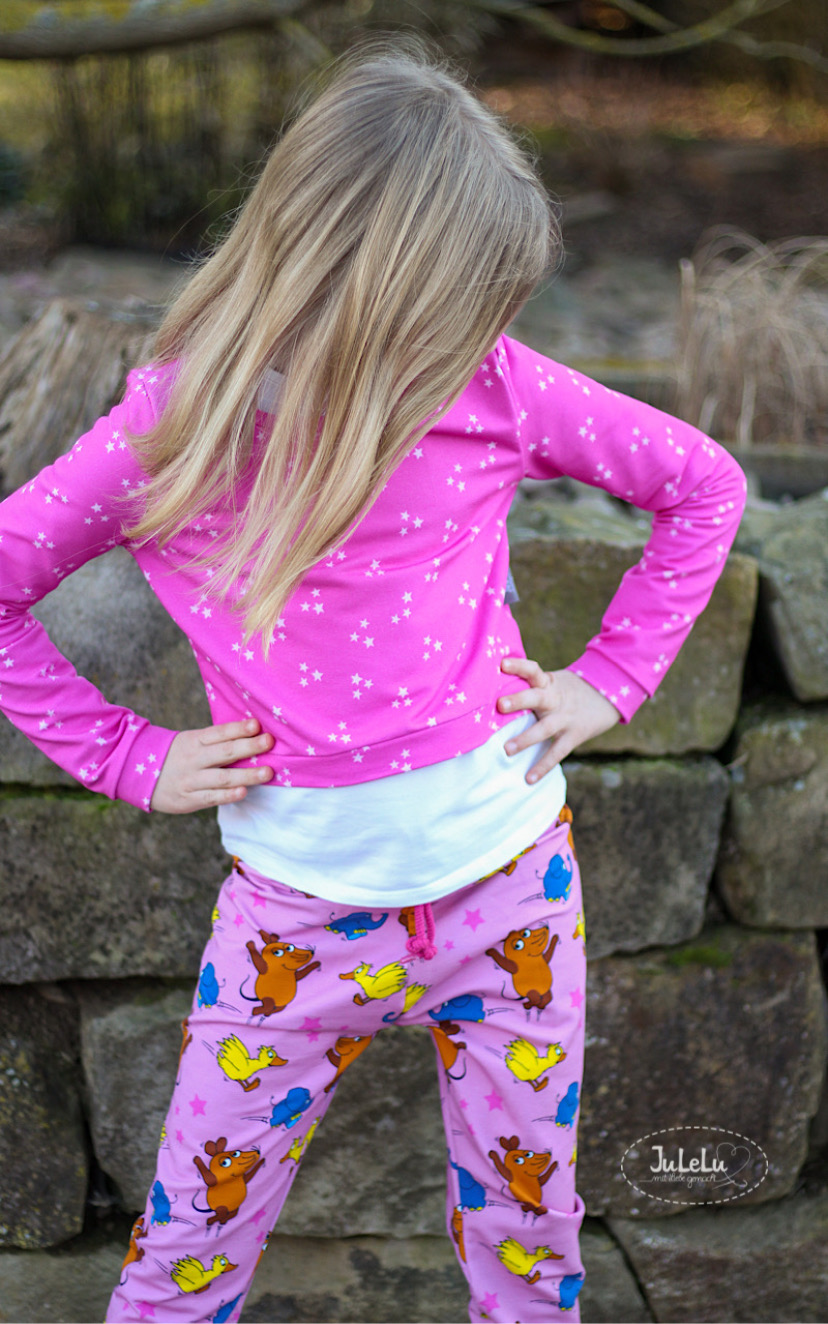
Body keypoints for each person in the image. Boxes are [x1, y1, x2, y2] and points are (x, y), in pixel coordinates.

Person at [0, 38, 745, 1324]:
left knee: (531, 1244)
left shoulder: (495, 387)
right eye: (458, 315)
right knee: (188, 1249)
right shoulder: (175, 436)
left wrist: (614, 676)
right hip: (290, 930)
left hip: (512, 901)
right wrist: (128, 754)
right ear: (359, 288)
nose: (482, 342)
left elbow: (705, 485)